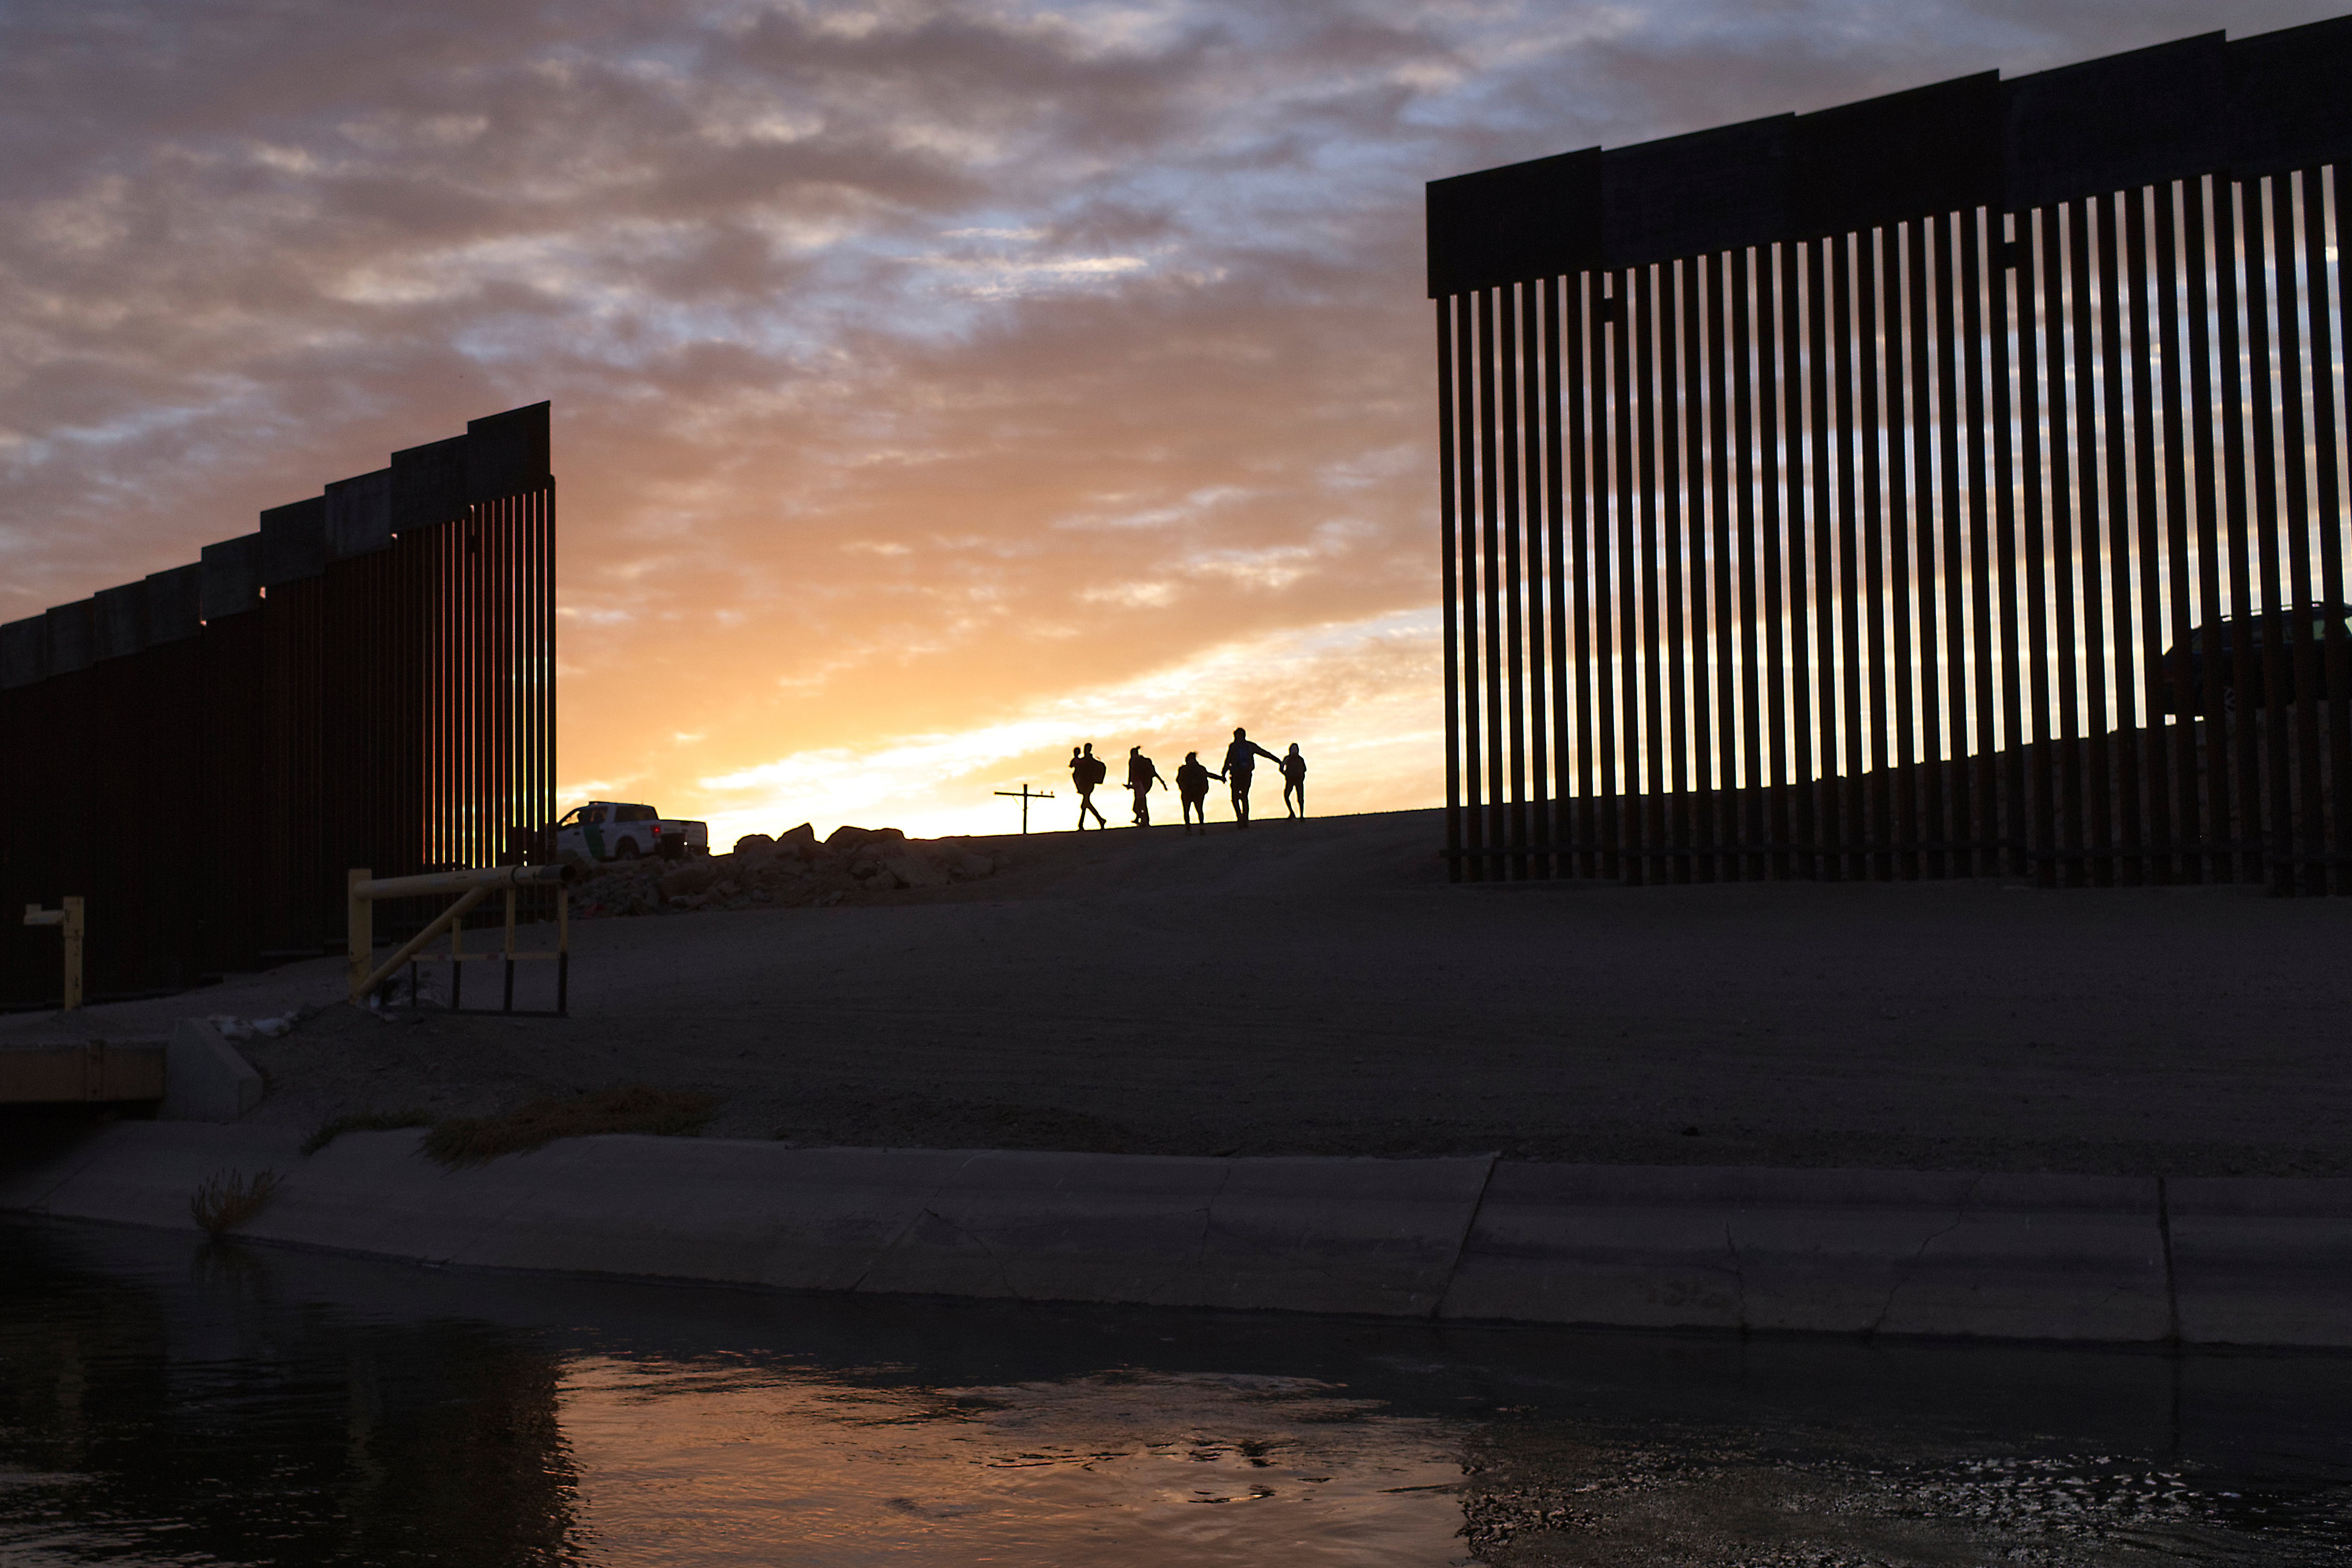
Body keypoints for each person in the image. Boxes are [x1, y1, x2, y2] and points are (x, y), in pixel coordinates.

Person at [1221, 727, 1283, 827]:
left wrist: (1223, 773)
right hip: (1247, 774)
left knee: (1235, 797)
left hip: (1236, 775)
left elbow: (1228, 760)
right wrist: (1277, 760)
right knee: (1244, 796)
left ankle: (1239, 817)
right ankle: (1245, 819)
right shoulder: (1250, 746)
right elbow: (1264, 753)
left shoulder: (1233, 746)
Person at [1174, 751, 1222, 835]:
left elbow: (1178, 780)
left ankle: (1191, 829)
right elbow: (1209, 775)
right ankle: (1199, 827)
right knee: (1197, 810)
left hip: (1189, 793)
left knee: (1189, 811)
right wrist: (1220, 778)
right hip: (1196, 793)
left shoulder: (1185, 769)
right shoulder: (1199, 768)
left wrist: (1182, 788)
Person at [1125, 745, 1166, 827]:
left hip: (1140, 784)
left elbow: (1131, 773)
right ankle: (1142, 819)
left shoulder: (1135, 761)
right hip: (1144, 784)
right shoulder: (1139, 761)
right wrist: (1162, 782)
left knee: (1139, 804)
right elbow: (1154, 772)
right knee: (1141, 802)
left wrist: (1129, 784)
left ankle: (1144, 819)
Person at [1071, 743, 1108, 830]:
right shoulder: (1086, 760)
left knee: (1085, 804)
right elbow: (1075, 764)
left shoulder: (1089, 760)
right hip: (1085, 785)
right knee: (1085, 805)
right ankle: (1099, 820)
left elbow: (1076, 764)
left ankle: (1098, 820)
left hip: (1088, 785)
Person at [1280, 743, 1308, 818]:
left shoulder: (1298, 759)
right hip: (1292, 780)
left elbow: (1304, 769)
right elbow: (1305, 769)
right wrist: (1286, 775)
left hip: (1296, 780)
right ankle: (1295, 814)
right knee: (1290, 796)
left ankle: (1300, 815)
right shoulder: (1291, 759)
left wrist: (1286, 774)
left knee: (1299, 797)